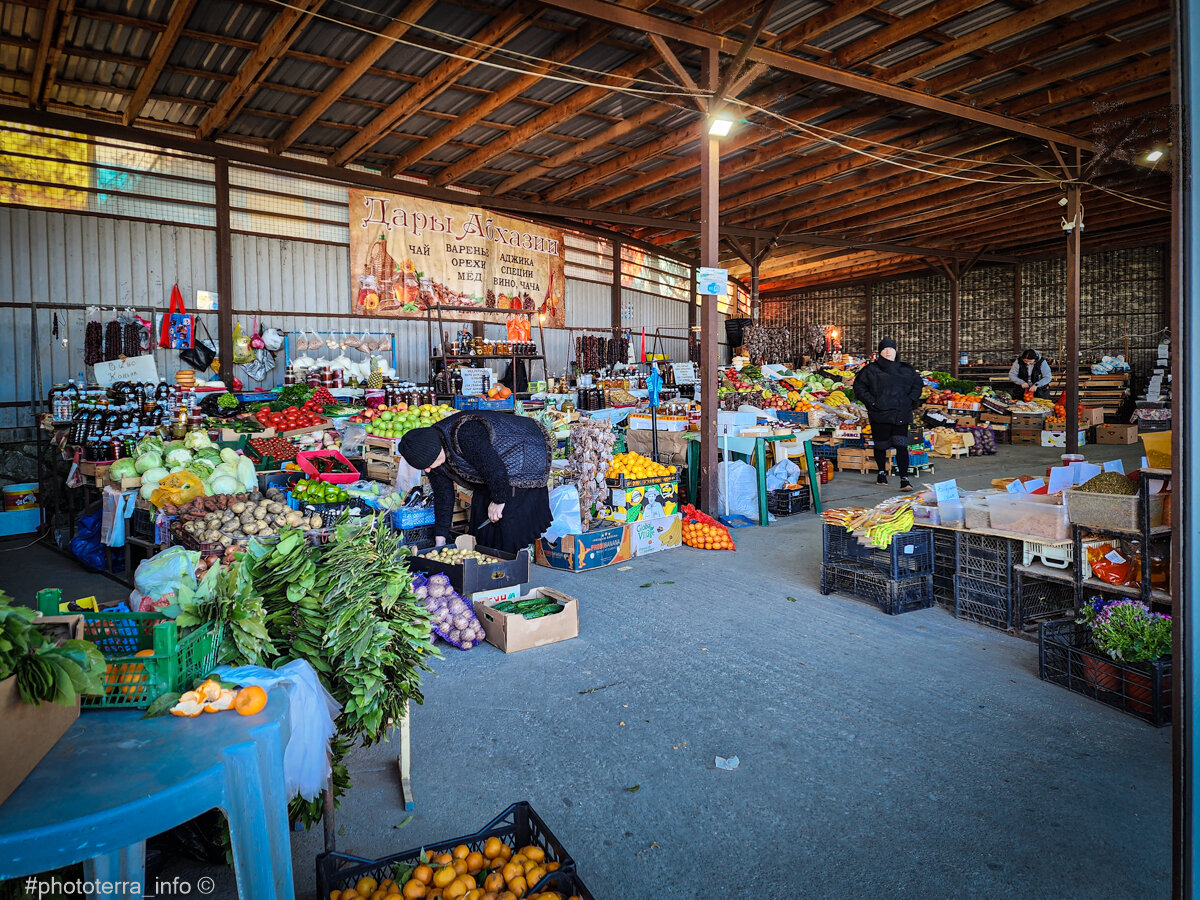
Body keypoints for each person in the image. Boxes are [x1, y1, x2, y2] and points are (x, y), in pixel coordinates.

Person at [397, 409, 553, 553]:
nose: (429, 470)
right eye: (425, 468)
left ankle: (509, 572)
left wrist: (499, 500)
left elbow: (495, 469)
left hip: (524, 454)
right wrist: (440, 539)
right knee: (481, 525)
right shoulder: (431, 456)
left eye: (429, 465)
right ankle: (487, 568)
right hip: (492, 470)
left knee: (507, 527)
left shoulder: (466, 434)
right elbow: (444, 496)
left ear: (436, 451)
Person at [854, 337, 925, 492]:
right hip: (879, 413)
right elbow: (859, 387)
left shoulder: (906, 369)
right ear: (880, 352)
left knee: (901, 445)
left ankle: (904, 479)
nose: (888, 351)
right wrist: (872, 402)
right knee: (880, 445)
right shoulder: (870, 370)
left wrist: (910, 400)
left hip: (901, 413)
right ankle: (881, 473)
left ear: (895, 351)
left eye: (891, 348)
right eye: (884, 349)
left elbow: (917, 385)